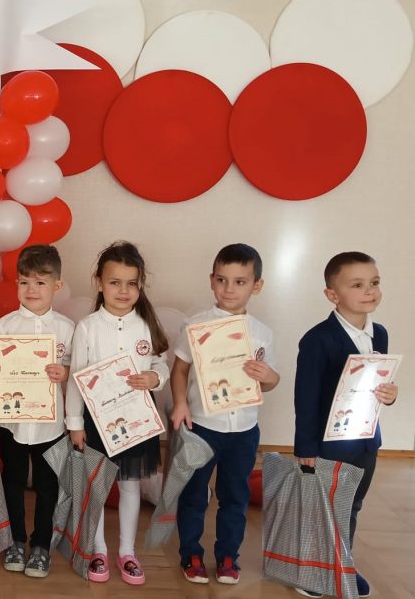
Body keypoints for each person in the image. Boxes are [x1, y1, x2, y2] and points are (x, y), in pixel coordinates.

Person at [169, 244, 280, 585]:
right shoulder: (196, 325)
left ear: (256, 286)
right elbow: (179, 370)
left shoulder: (262, 333)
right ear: (212, 281)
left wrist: (268, 376)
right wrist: (180, 403)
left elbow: (270, 382)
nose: (229, 289)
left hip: (244, 428)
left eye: (240, 281)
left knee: (235, 495)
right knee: (194, 492)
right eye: (222, 280)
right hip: (202, 424)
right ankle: (190, 553)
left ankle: (228, 555)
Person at [293, 252, 397, 599]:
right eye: (357, 285)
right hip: (328, 444)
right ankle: (312, 571)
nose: (369, 291)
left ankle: (341, 564)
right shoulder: (317, 339)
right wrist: (306, 448)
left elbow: (375, 385)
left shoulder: (379, 333)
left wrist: (389, 395)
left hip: (365, 441)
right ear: (332, 294)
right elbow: (305, 397)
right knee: (323, 509)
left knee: (351, 506)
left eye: (374, 283)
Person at [65, 241, 168, 586]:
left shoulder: (146, 324)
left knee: (130, 486)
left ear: (140, 285)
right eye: (114, 282)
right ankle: (98, 549)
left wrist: (155, 377)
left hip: (136, 421)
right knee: (97, 488)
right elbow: (77, 378)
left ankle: (127, 551)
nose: (123, 291)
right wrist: (74, 423)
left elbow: (160, 362)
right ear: (99, 282)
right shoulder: (88, 327)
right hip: (96, 423)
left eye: (131, 283)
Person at [0, 245, 74, 579]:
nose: (31, 289)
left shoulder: (67, 328)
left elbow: (77, 373)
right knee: (13, 481)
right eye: (24, 282)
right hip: (13, 423)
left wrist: (65, 371)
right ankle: (15, 541)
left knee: (48, 485)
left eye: (40, 282)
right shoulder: (5, 326)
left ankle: (41, 545)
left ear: (57, 286)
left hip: (51, 425)